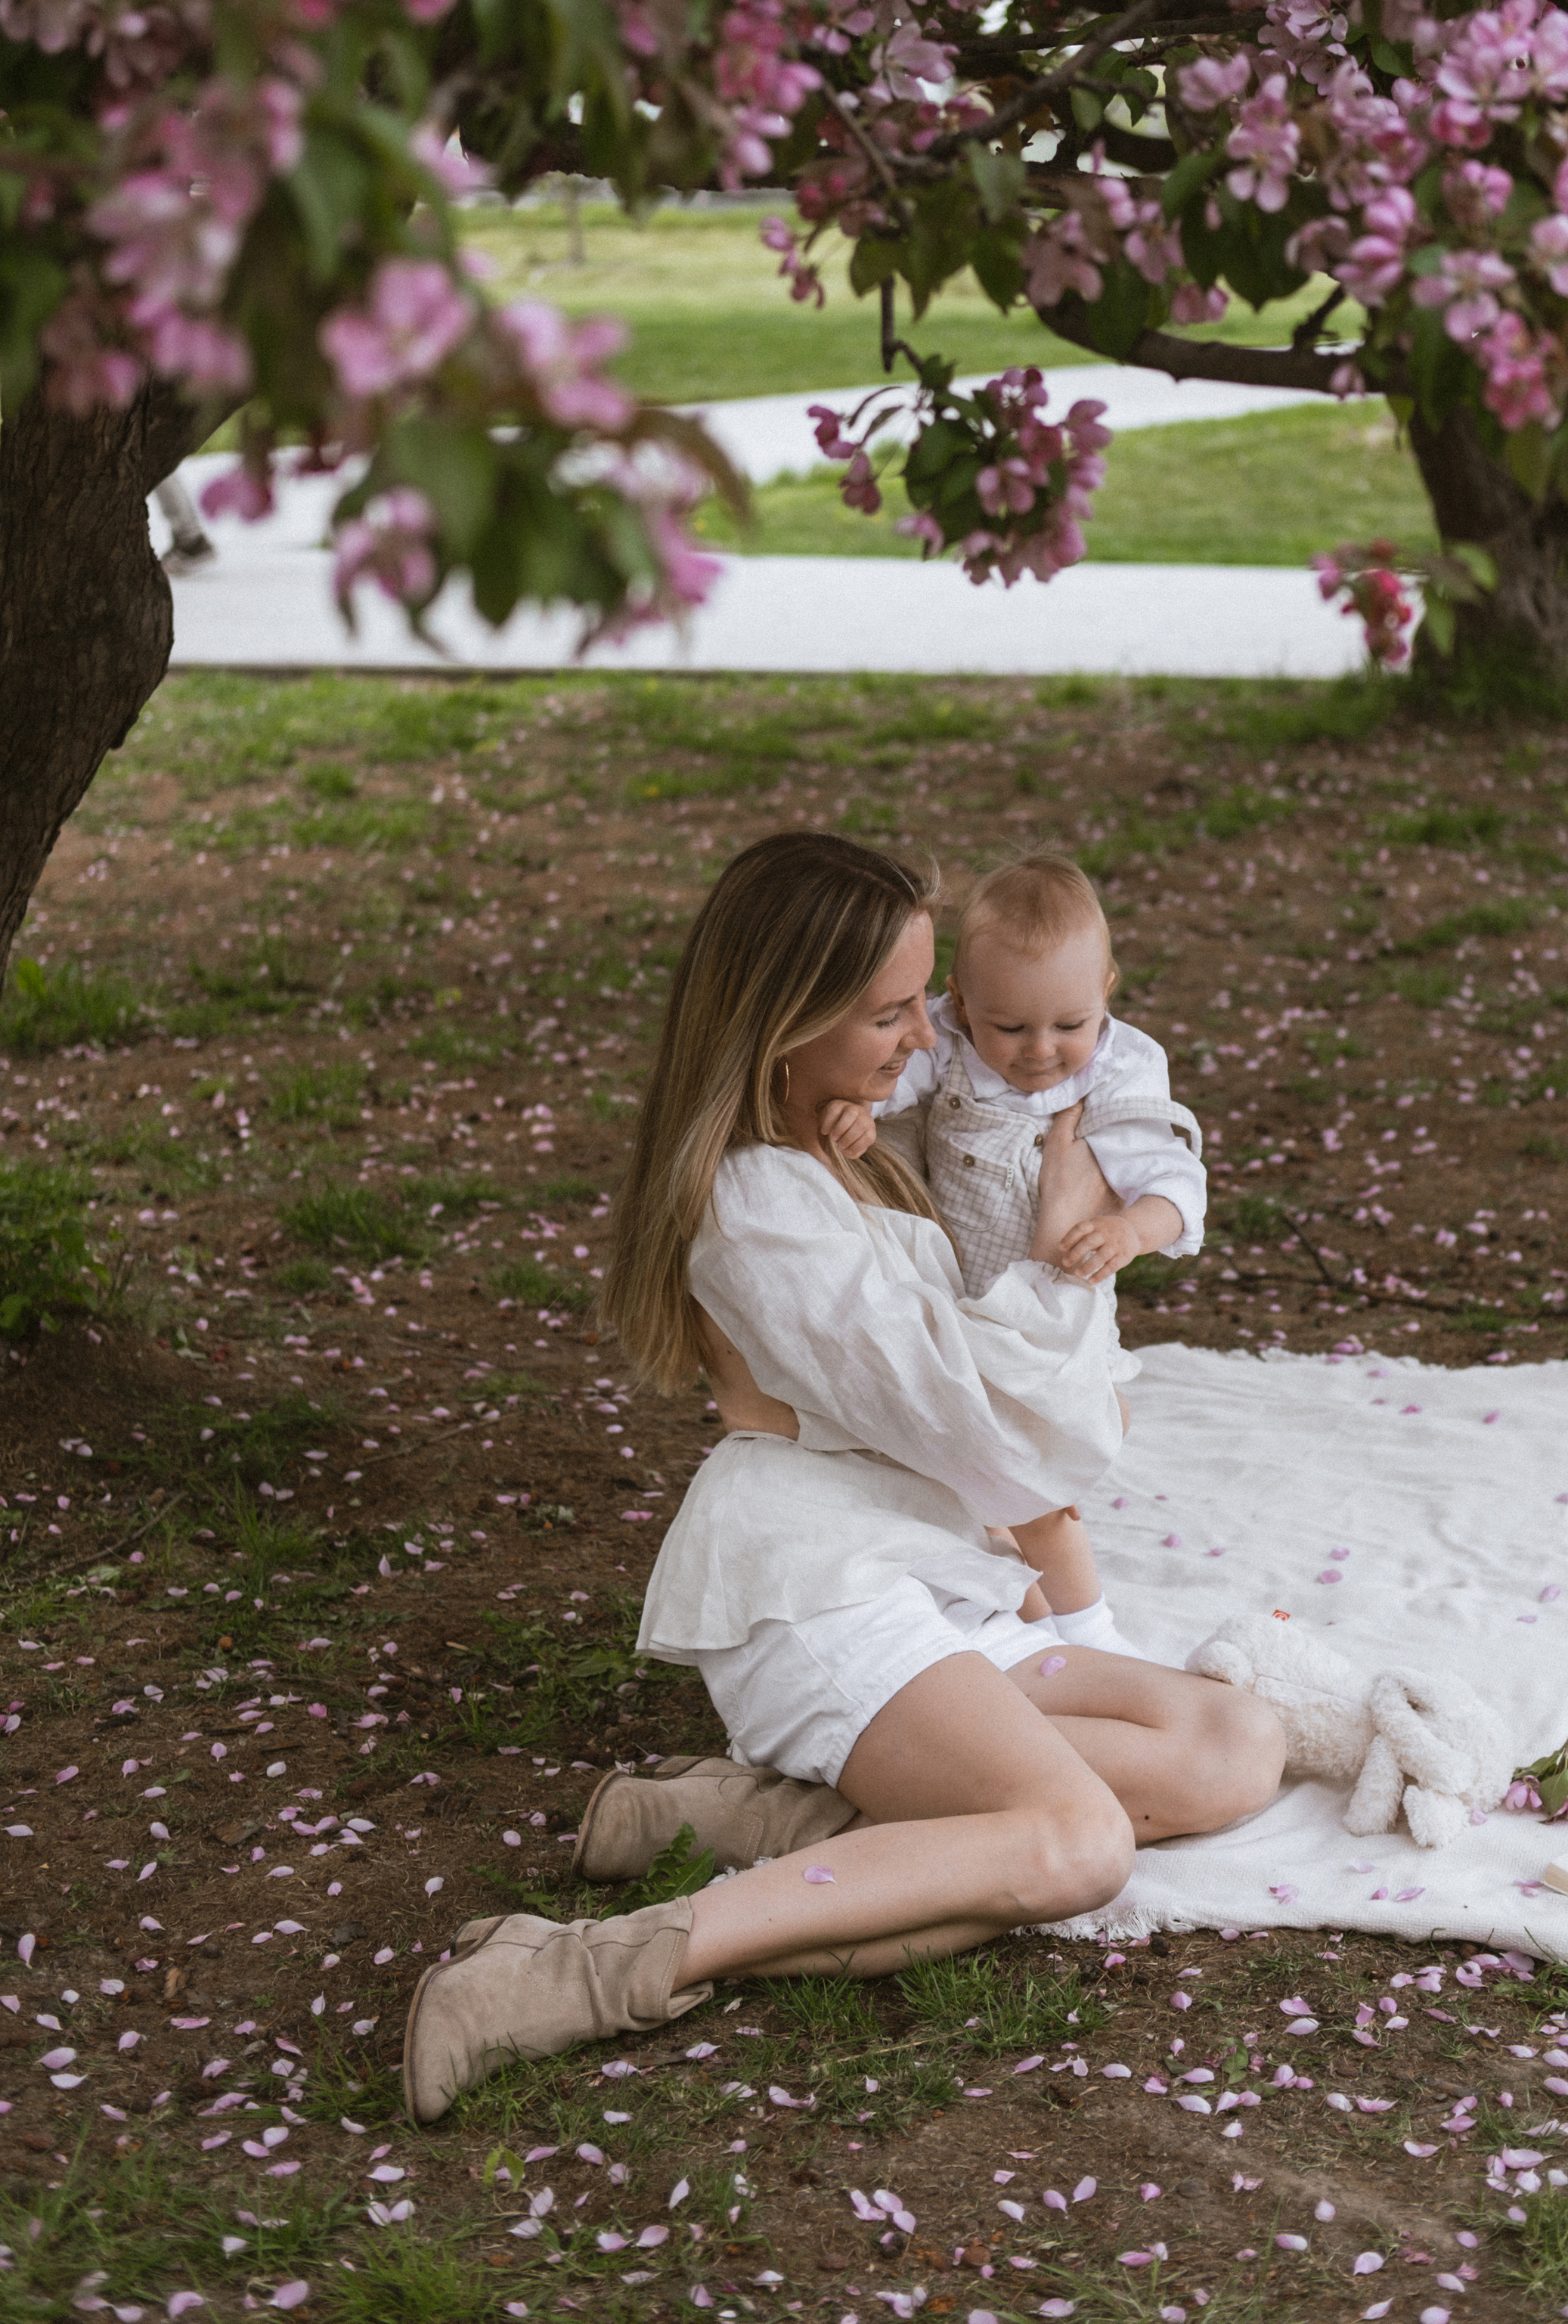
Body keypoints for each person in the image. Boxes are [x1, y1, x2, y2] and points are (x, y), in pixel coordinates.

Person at [401, 830, 1284, 2124]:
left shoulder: (851, 1140)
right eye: (889, 1014)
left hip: (916, 1569)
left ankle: (745, 1816)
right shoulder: (759, 1209)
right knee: (1077, 1842)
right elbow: (993, 1429)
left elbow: (999, 1432)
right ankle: (580, 1971)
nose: (930, 1040)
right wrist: (1063, 1237)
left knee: (1231, 1744)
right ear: (782, 1024)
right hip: (816, 1597)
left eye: (923, 1006)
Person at [823, 852, 1205, 1659]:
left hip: (1059, 1321)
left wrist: (1134, 1230)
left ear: (1105, 992)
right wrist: (860, 1114)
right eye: (1009, 1027)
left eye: (1069, 1025)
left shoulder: (1120, 1067)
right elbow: (885, 1081)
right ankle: (1023, 1613)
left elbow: (1175, 1179)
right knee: (986, 1483)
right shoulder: (947, 1044)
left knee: (1039, 1487)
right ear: (958, 1004)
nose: (1040, 1051)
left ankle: (1092, 1634)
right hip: (960, 1313)